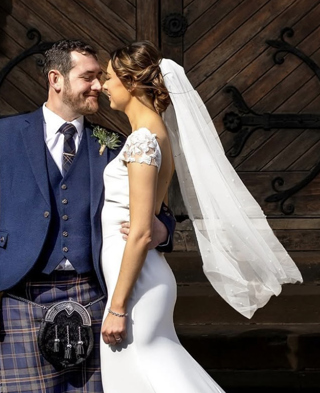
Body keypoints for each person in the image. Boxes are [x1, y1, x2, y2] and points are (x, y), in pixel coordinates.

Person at [0, 39, 175, 392]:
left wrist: (161, 231)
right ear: (56, 79)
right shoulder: (5, 135)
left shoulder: (116, 143)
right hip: (24, 293)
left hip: (93, 294)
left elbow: (158, 213)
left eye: (100, 78)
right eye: (88, 77)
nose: (99, 87)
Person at [99, 41, 302, 392]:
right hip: (139, 280)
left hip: (136, 286)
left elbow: (142, 231)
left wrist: (117, 306)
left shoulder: (142, 140)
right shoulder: (153, 134)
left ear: (131, 83)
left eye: (109, 77)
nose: (103, 86)